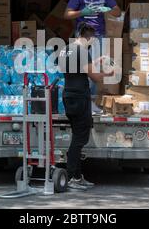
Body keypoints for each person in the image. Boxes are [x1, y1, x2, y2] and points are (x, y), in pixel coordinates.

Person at [58, 22, 114, 191]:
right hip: (80, 97)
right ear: (88, 37)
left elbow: (74, 67)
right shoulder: (82, 51)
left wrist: (96, 60)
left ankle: (77, 176)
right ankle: (71, 176)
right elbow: (95, 77)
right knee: (80, 139)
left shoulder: (65, 49)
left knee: (77, 136)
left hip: (68, 95)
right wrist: (108, 73)